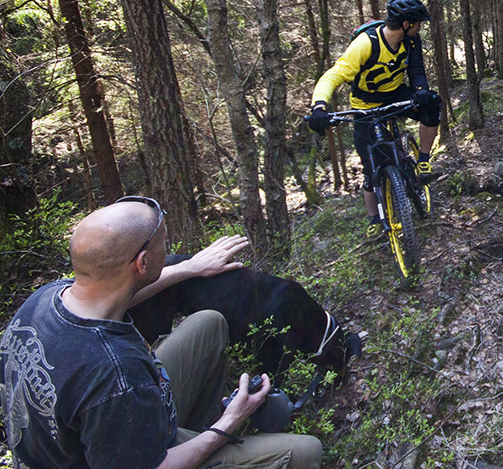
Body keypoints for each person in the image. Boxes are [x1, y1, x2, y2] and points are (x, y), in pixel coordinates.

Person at [0, 197, 322, 469]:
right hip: (137, 457)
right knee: (307, 451)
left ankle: (189, 432)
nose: (168, 249)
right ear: (142, 263)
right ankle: (199, 442)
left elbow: (120, 292)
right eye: (164, 244)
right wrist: (229, 423)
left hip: (87, 438)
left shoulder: (46, 297)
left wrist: (189, 268)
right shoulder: (116, 375)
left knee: (208, 323)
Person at [307, 0, 442, 239]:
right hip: (364, 105)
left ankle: (423, 159)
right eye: (417, 23)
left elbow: (416, 69)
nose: (419, 28)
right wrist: (319, 107)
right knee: (371, 169)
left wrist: (421, 90)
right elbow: (332, 76)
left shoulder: (411, 41)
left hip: (395, 95)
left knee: (432, 103)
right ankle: (374, 218)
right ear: (406, 24)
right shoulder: (365, 44)